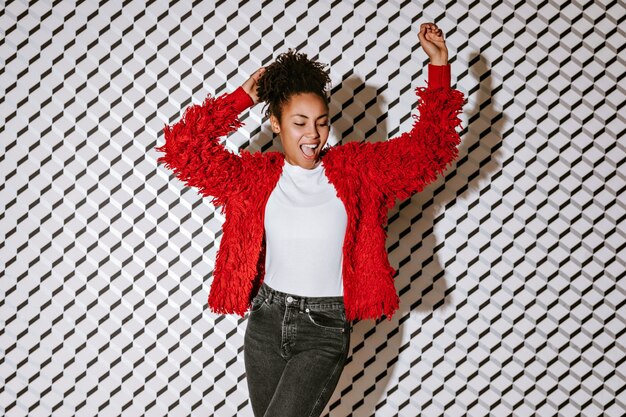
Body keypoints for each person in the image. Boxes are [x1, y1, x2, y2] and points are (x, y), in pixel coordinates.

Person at [156, 22, 464, 417]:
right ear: (276, 124)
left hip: (324, 328)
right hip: (265, 323)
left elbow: (429, 150)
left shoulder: (358, 172)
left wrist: (439, 66)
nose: (313, 134)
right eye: (299, 123)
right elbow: (183, 148)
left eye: (320, 122)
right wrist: (241, 97)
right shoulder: (253, 179)